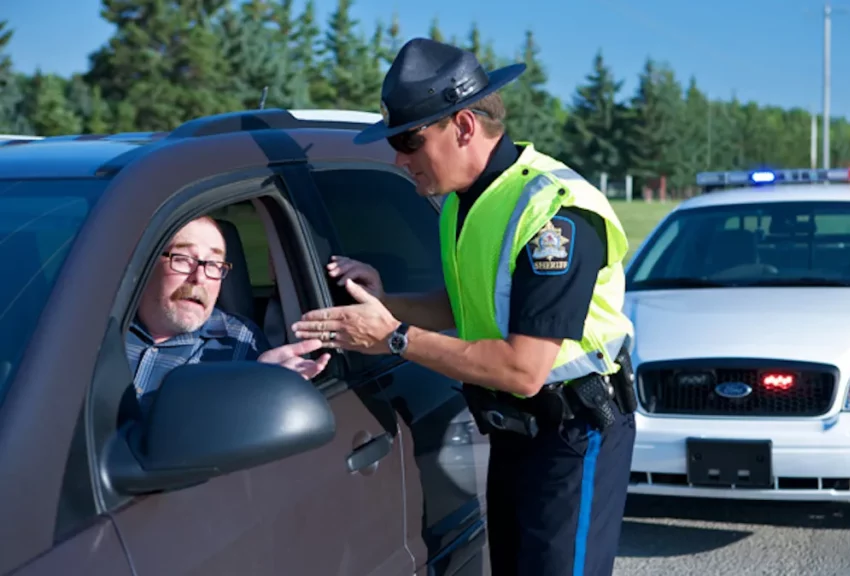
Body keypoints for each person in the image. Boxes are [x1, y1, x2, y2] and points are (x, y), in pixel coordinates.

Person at [291, 38, 637, 576]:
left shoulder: (554, 214)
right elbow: (465, 306)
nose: (398, 159)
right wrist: (386, 303)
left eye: (409, 140)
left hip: (573, 436)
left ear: (464, 126)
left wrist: (394, 337)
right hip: (517, 434)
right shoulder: (463, 200)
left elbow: (524, 370)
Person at [126, 215, 330, 410]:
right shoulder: (102, 321)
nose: (199, 277)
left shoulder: (241, 342)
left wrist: (263, 388)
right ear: (148, 264)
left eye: (214, 264)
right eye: (184, 259)